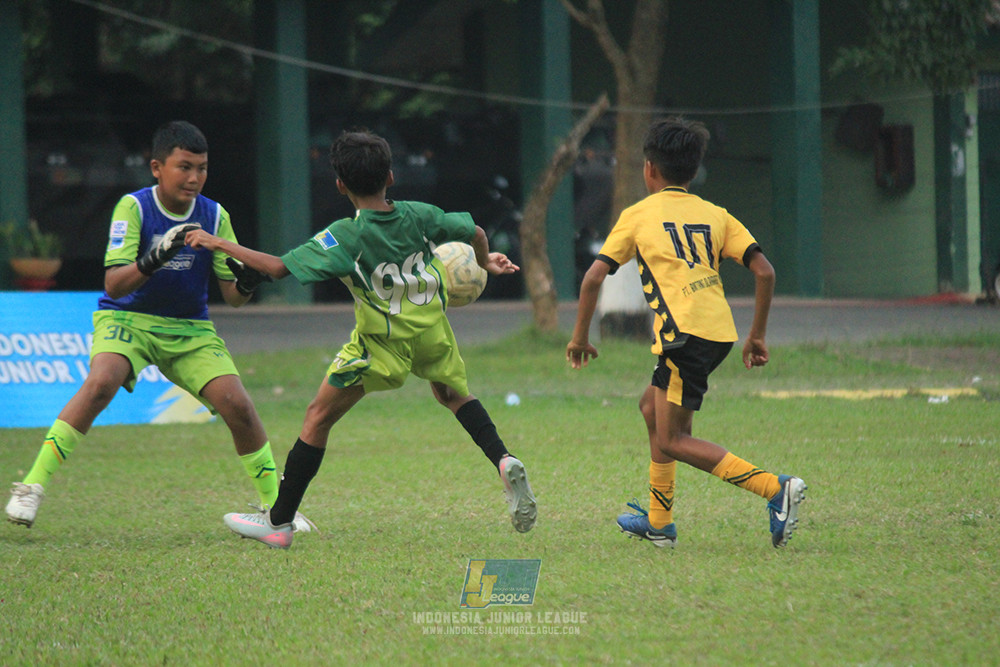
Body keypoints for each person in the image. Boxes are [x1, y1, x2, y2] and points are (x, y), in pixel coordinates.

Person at [184, 129, 537, 549]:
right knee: (454, 396)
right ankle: (502, 458)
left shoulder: (344, 236)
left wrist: (217, 242)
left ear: (339, 185)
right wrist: (485, 261)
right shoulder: (419, 214)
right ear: (390, 177)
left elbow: (276, 268)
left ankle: (277, 523)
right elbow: (475, 230)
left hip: (379, 345)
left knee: (317, 417)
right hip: (430, 330)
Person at [5, 120, 316, 534]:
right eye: (184, 167)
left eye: (202, 168)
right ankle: (31, 486)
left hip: (190, 328)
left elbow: (233, 298)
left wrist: (246, 282)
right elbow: (114, 285)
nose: (194, 178)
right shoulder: (133, 208)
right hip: (127, 319)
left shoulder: (214, 215)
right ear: (156, 167)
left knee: (238, 405)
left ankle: (276, 509)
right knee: (100, 383)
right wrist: (157, 255)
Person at [566, 117, 806, 549]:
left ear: (649, 169)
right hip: (716, 331)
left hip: (684, 337)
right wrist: (757, 336)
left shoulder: (637, 216)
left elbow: (593, 278)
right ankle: (659, 523)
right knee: (650, 407)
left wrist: (580, 338)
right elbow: (765, 272)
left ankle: (775, 488)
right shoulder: (716, 215)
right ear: (693, 172)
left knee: (673, 439)